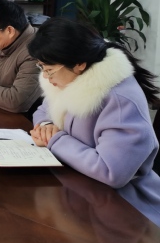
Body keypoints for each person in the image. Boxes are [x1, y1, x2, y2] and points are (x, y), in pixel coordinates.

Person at [28, 17, 160, 226]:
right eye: (41, 67)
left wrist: (56, 139)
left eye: (49, 69)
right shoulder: (70, 78)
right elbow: (43, 110)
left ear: (79, 64)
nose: (45, 76)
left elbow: (112, 172)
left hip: (126, 209)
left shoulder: (118, 100)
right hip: (80, 189)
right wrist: (46, 126)